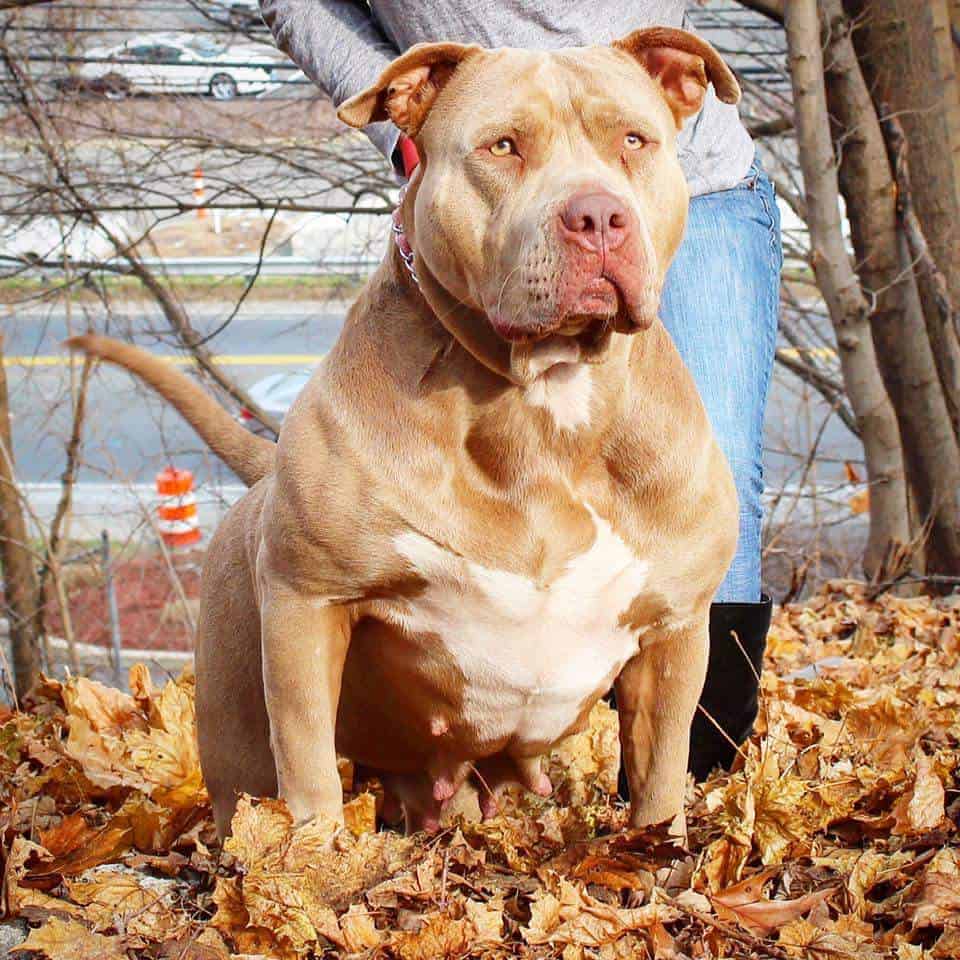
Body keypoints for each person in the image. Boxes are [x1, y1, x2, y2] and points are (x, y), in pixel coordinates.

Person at [259, 0, 782, 781]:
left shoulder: (649, 136)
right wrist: (416, 121)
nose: (592, 211)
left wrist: (637, 110)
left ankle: (694, 794)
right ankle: (465, 745)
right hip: (469, 147)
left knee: (713, 484)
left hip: (691, 185)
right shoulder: (443, 115)